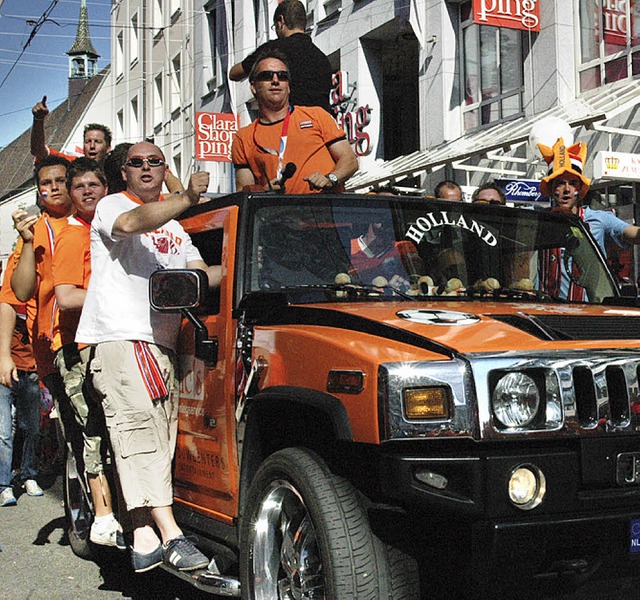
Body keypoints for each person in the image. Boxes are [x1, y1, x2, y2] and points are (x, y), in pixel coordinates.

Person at [75, 142, 220, 573]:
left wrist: (249, 266)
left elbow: (203, 273)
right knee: (139, 434)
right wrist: (186, 199)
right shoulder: (112, 205)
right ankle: (172, 534)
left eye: (155, 161)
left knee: (154, 439)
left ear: (164, 167)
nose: (146, 168)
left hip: (162, 343)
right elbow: (133, 222)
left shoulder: (176, 228)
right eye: (135, 162)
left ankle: (141, 536)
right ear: (122, 172)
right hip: (123, 338)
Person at [50, 157, 124, 548]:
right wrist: (118, 297)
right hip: (79, 348)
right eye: (79, 187)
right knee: (91, 429)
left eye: (93, 184)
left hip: (114, 341)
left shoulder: (111, 229)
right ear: (71, 195)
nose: (87, 192)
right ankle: (104, 516)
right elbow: (65, 297)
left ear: (106, 187)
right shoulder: (72, 234)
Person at [231, 49, 358, 194]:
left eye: (282, 76)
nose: (275, 80)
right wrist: (263, 191)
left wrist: (331, 178)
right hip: (281, 214)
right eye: (266, 76)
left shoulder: (316, 116)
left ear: (289, 86)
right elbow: (243, 190)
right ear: (253, 87)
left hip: (326, 211)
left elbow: (350, 161)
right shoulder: (243, 137)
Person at [537, 138, 640, 299]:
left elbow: (633, 233)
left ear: (580, 189)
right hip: (547, 310)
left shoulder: (599, 219)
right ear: (551, 188)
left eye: (572, 183)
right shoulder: (537, 218)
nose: (566, 190)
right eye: (559, 183)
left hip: (589, 309)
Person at [229, 0, 333, 112]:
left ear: (281, 21)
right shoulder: (322, 59)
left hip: (288, 122)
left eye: (275, 27)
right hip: (318, 125)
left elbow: (234, 74)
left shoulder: (272, 50)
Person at [0, 290, 42, 506]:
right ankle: (4, 485)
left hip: (30, 371)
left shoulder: (36, 302)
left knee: (31, 429)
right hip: (3, 375)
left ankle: (29, 476)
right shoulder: (4, 302)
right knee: (4, 433)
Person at [31, 95, 112, 164]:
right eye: (88, 141)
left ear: (108, 148)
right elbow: (38, 151)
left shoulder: (117, 169)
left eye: (97, 141)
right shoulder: (74, 164)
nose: (92, 146)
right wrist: (38, 119)